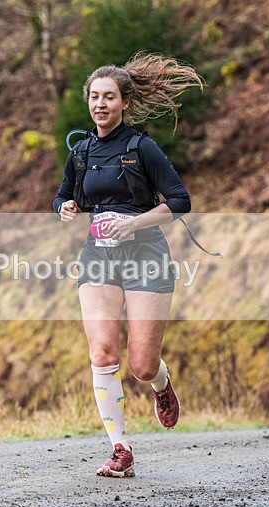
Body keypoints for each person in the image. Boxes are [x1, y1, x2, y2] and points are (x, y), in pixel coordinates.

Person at [53, 52, 203, 478]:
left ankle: (161, 384)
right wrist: (65, 207)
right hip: (98, 257)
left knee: (141, 364)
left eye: (109, 97)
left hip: (146, 256)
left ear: (125, 103)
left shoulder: (142, 147)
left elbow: (180, 201)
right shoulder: (80, 152)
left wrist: (133, 223)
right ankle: (120, 449)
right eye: (94, 97)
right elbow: (64, 195)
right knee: (102, 352)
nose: (100, 104)